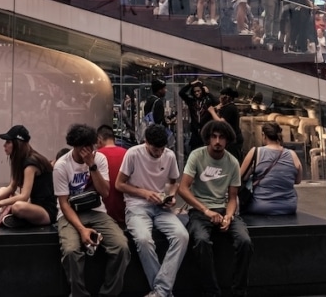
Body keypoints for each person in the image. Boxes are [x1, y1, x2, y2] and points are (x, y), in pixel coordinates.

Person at [52, 123, 130, 297]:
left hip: (96, 210)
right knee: (71, 251)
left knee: (121, 247)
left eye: (91, 147)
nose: (88, 151)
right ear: (75, 147)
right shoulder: (62, 165)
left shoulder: (99, 159)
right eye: (83, 148)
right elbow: (63, 203)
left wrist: (92, 166)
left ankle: (109, 293)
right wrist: (82, 230)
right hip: (70, 213)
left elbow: (105, 192)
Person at [178, 120, 253, 297]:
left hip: (223, 208)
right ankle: (212, 292)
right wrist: (205, 210)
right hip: (200, 211)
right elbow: (183, 188)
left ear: (227, 140)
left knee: (245, 241)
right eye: (214, 137)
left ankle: (239, 291)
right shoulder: (197, 156)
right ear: (208, 138)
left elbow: (232, 197)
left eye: (221, 137)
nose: (217, 141)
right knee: (201, 241)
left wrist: (229, 216)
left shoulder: (232, 162)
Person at [117, 124, 189, 297]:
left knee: (182, 236)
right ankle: (163, 291)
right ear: (146, 142)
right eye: (155, 149)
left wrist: (171, 197)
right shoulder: (133, 154)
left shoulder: (169, 155)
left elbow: (173, 183)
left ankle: (160, 291)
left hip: (161, 207)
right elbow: (119, 184)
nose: (159, 153)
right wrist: (144, 193)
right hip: (136, 206)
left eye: (162, 149)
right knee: (143, 239)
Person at [0, 125, 56, 227]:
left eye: (8, 142)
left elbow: (24, 196)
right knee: (2, 190)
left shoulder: (30, 164)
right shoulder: (19, 161)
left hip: (45, 211)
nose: (4, 145)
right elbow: (11, 187)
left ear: (17, 144)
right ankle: (11, 216)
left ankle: (16, 218)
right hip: (32, 204)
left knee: (18, 207)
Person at [239, 122, 302, 215]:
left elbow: (240, 177)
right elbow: (297, 180)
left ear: (263, 135)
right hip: (288, 207)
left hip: (260, 206)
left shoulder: (256, 152)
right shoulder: (292, 154)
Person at [96, 124, 127, 226]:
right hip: (125, 212)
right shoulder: (127, 154)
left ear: (99, 140)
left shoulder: (95, 156)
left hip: (102, 214)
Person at [179, 79, 217, 151]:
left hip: (206, 132)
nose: (197, 93)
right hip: (195, 133)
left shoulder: (207, 101)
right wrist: (190, 84)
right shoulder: (191, 101)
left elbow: (217, 102)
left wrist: (208, 93)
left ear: (202, 90)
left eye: (198, 91)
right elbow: (181, 93)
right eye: (195, 91)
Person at [209, 87, 243, 160]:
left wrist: (212, 112)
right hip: (230, 138)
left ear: (226, 98)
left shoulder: (230, 108)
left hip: (234, 140)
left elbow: (221, 122)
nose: (219, 98)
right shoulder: (225, 107)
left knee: (232, 158)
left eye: (221, 96)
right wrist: (216, 110)